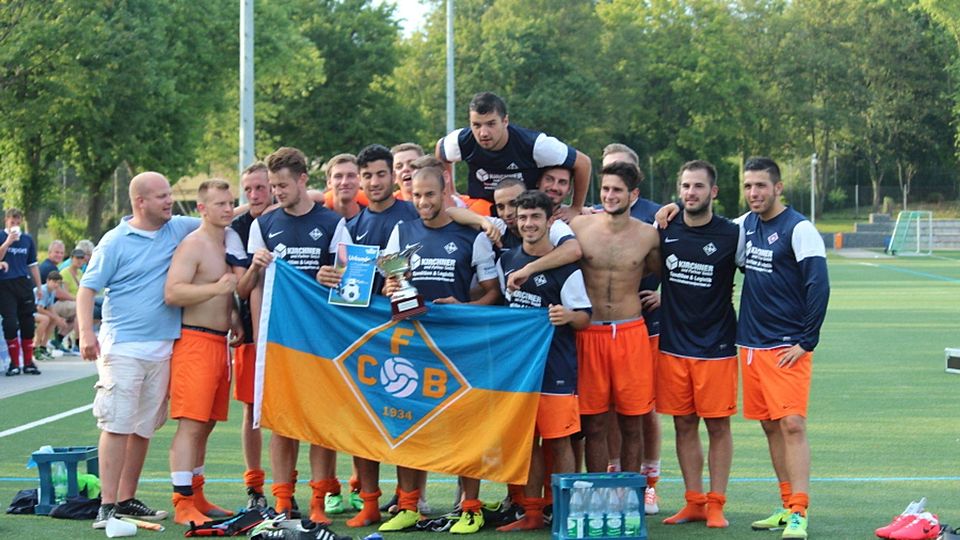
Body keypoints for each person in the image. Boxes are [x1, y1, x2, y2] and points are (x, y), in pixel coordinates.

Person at [656, 157, 829, 539]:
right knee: (770, 426)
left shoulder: (799, 228)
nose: (754, 192)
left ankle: (799, 511)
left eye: (761, 186)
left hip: (786, 345)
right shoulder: (743, 227)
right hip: (750, 343)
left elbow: (818, 284)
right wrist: (670, 208)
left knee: (793, 424)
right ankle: (786, 504)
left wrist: (806, 340)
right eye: (749, 186)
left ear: (778, 188)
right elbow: (702, 226)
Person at [378, 165, 500, 534]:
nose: (423, 202)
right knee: (408, 422)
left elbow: (493, 294)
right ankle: (409, 505)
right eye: (416, 195)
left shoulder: (471, 234)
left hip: (458, 345)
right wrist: (390, 288)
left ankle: (470, 507)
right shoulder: (402, 232)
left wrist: (463, 307)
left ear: (445, 191)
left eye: (429, 194)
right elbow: (390, 285)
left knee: (465, 425)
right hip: (412, 344)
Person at [78, 171, 200, 528]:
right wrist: (86, 333)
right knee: (117, 425)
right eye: (162, 196)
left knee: (144, 428)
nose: (170, 201)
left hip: (163, 349)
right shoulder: (115, 241)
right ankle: (107, 505)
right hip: (122, 348)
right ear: (140, 202)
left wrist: (321, 197)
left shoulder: (176, 228)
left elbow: (221, 213)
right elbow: (87, 289)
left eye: (169, 194)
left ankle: (126, 498)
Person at [317, 144, 422, 528]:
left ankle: (410, 501)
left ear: (393, 176)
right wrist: (326, 276)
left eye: (381, 174)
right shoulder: (351, 226)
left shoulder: (413, 215)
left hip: (408, 333)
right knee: (364, 422)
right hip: (364, 337)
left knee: (408, 418)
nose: (374, 182)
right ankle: (369, 502)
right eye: (368, 176)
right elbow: (344, 283)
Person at [247, 147, 346, 525]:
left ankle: (318, 500)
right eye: (273, 186)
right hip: (280, 341)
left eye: (282, 185)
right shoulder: (264, 225)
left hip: (321, 340)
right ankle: (282, 500)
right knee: (282, 422)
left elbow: (349, 282)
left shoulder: (333, 223)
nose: (276, 192)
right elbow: (250, 287)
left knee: (320, 424)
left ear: (303, 180)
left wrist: (332, 277)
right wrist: (261, 332)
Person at [495, 190, 591, 531]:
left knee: (559, 441)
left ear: (550, 221)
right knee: (528, 442)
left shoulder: (566, 267)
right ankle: (532, 512)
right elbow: (502, 309)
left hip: (556, 367)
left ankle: (564, 511)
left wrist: (568, 316)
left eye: (535, 217)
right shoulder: (507, 260)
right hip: (520, 371)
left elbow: (584, 317)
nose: (528, 224)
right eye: (523, 217)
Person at [655, 160, 742, 529]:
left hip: (716, 347)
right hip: (673, 346)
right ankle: (693, 502)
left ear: (713, 192)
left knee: (718, 426)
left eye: (699, 186)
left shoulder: (733, 234)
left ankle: (716, 503)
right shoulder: (665, 227)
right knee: (683, 424)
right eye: (686, 186)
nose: (691, 193)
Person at [568, 162, 660, 476]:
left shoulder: (648, 235)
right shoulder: (580, 227)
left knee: (632, 422)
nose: (609, 195)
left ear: (633, 194)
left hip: (630, 333)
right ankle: (597, 493)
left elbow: (667, 274)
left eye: (617, 190)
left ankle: (629, 494)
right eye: (606, 188)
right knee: (593, 424)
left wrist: (663, 296)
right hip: (589, 332)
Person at [163, 179, 241, 525]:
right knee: (191, 425)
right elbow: (173, 293)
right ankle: (182, 503)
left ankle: (196, 494)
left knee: (207, 424)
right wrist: (216, 288)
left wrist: (234, 317)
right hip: (194, 342)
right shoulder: (193, 244)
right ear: (202, 209)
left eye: (230, 202)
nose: (228, 209)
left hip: (219, 343)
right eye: (220, 203)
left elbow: (223, 294)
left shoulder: (227, 242)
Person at [600, 143, 664, 514]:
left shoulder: (657, 218)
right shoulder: (591, 218)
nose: (612, 189)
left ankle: (648, 483)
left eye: (622, 173)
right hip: (598, 329)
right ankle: (611, 479)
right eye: (608, 176)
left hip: (643, 328)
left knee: (643, 410)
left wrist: (665, 295)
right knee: (604, 411)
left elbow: (682, 263)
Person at [437, 91, 592, 222]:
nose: (483, 133)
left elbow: (583, 163)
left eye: (491, 124)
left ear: (505, 121)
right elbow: (440, 150)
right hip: (482, 216)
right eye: (476, 125)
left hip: (525, 217)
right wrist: (449, 192)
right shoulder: (463, 140)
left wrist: (575, 208)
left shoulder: (534, 144)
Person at [231, 162, 272, 510]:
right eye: (249, 189)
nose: (255, 195)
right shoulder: (237, 227)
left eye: (261, 187)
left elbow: (321, 195)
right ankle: (255, 487)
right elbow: (239, 289)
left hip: (294, 333)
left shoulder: (294, 217)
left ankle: (318, 489)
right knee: (251, 409)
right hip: (249, 335)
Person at [0, 208, 43, 376]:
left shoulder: (27, 239)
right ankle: (14, 363)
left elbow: (32, 264)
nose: (15, 225)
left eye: (18, 222)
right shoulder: (2, 236)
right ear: (6, 221)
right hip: (5, 284)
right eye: (12, 222)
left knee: (28, 323)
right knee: (10, 322)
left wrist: (39, 287)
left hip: (24, 283)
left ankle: (28, 362)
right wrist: (8, 242)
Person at [33, 271, 75, 360]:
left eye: (58, 283)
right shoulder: (43, 290)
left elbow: (50, 308)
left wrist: (58, 319)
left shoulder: (52, 291)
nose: (56, 285)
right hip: (27, 312)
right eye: (54, 282)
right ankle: (35, 347)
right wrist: (55, 317)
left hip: (36, 312)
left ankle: (43, 347)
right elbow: (39, 308)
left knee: (53, 320)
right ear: (48, 280)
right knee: (45, 319)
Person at [322, 153, 368, 219]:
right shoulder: (317, 218)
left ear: (360, 180)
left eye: (351, 176)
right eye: (338, 176)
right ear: (329, 183)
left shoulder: (375, 218)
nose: (344, 182)